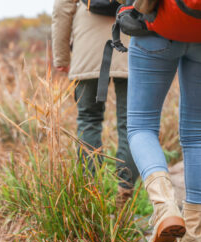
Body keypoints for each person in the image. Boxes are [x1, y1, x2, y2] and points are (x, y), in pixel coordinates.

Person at [127, 7, 201, 242]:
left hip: (157, 28)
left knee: (141, 127)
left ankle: (165, 208)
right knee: (195, 134)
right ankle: (193, 233)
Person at [52, 0, 139, 209]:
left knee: (88, 119)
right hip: (132, 40)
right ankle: (124, 192)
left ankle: (93, 193)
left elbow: (61, 9)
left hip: (87, 44)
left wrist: (61, 56)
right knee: (132, 123)